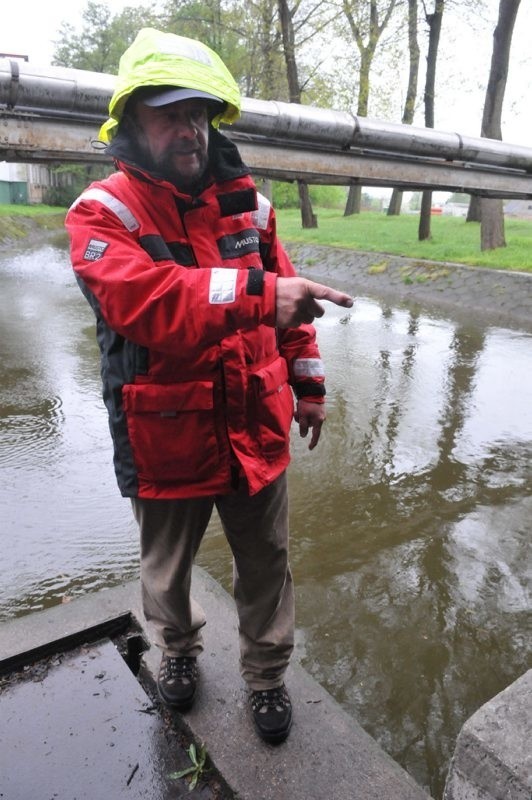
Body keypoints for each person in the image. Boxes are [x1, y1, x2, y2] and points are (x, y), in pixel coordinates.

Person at [66, 28, 353, 745]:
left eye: (199, 113)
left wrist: (309, 386)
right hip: (167, 438)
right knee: (166, 571)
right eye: (170, 113)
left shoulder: (249, 205)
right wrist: (262, 296)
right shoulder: (102, 213)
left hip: (254, 427)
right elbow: (150, 302)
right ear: (131, 119)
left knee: (268, 566)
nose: (190, 128)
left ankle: (266, 679)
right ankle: (179, 653)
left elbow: (292, 305)